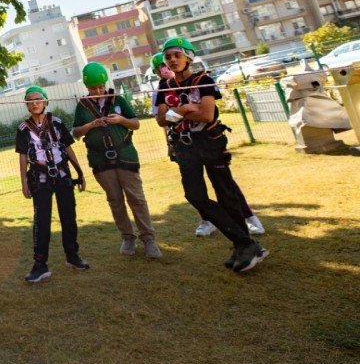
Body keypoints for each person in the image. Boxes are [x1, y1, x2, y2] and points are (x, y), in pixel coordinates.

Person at [155, 37, 269, 273]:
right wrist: (185, 109)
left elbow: (207, 115)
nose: (172, 60)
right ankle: (246, 244)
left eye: (177, 55)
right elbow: (160, 120)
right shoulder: (164, 88)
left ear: (189, 57)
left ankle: (242, 246)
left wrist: (177, 113)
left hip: (210, 142)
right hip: (185, 146)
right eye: (168, 57)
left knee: (226, 194)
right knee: (194, 195)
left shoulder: (203, 80)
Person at [72, 62, 162, 258]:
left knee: (137, 198)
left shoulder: (118, 100)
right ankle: (127, 238)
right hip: (100, 159)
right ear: (87, 87)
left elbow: (136, 123)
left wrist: (121, 120)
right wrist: (90, 125)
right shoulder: (82, 106)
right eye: (93, 87)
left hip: (125, 156)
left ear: (105, 83)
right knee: (115, 200)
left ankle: (149, 239)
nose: (97, 90)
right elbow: (76, 132)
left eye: (100, 86)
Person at [16, 86, 90, 283]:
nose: (34, 103)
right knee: (42, 221)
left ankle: (72, 256)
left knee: (68, 216)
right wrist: (23, 181)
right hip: (40, 179)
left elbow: (67, 147)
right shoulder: (23, 129)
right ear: (26, 105)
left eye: (38, 99)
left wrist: (80, 172)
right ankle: (40, 265)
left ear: (45, 101)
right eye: (30, 100)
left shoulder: (56, 123)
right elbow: (23, 156)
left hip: (63, 175)